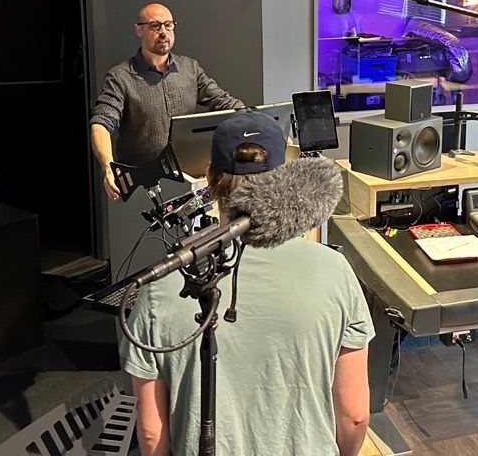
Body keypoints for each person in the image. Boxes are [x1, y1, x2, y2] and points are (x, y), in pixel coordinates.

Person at [122, 111, 373, 456]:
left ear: (209, 180)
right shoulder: (336, 271)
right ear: (285, 181)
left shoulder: (157, 290)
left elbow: (152, 434)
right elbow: (355, 415)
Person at [90, 3, 245, 200]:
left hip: (188, 179)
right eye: (155, 26)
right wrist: (108, 166)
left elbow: (225, 103)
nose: (163, 32)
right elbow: (101, 123)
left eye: (168, 25)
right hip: (143, 185)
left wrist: (261, 124)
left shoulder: (190, 68)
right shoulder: (120, 77)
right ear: (139, 29)